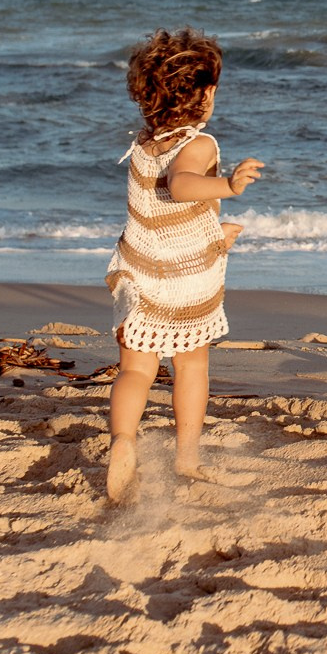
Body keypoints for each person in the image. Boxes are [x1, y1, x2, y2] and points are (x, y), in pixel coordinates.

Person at [105, 29, 265, 503]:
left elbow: (169, 213)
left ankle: (122, 443)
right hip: (184, 282)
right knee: (192, 363)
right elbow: (182, 187)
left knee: (135, 369)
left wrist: (219, 232)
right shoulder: (199, 145)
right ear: (208, 93)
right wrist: (230, 188)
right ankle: (187, 460)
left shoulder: (144, 142)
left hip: (138, 271)